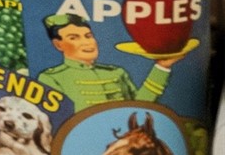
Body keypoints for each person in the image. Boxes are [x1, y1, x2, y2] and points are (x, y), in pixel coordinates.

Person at [34, 14, 186, 110]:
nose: (87, 43)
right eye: (74, 38)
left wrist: (161, 67)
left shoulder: (116, 72)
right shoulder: (51, 78)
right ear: (58, 44)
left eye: (88, 36)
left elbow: (139, 106)